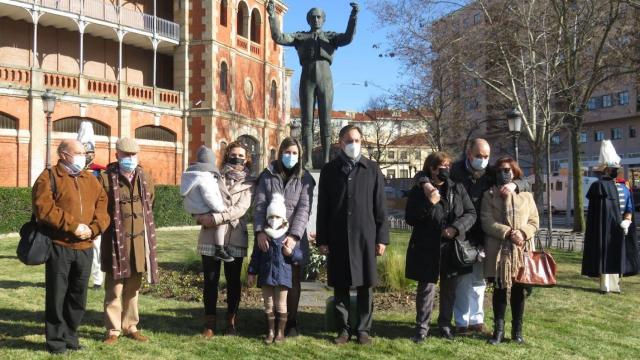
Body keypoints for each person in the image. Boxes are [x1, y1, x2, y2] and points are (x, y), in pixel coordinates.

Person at [416, 138, 529, 335]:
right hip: (460, 232)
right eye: (479, 156)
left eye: (486, 156)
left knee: (479, 280)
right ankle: (461, 321)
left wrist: (516, 185)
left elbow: (524, 179)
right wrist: (425, 182)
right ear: (469, 154)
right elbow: (423, 172)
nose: (483, 160)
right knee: (462, 280)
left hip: (485, 233)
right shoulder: (455, 170)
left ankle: (477, 320)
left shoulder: (491, 172)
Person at [32, 139, 110, 354]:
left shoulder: (89, 179)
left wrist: (93, 229)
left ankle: (71, 335)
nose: (84, 156)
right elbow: (44, 208)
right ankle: (56, 342)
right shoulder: (48, 178)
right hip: (60, 246)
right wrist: (73, 226)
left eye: (85, 153)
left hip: (85, 247)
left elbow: (103, 207)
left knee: (78, 296)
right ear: (64, 154)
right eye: (79, 152)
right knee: (57, 296)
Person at [316, 124, 389, 345]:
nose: (354, 144)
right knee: (340, 284)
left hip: (365, 236)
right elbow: (323, 208)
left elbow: (380, 206)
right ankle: (344, 329)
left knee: (365, 284)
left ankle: (363, 329)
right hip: (338, 236)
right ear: (340, 143)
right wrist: (322, 239)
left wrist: (382, 238)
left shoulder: (372, 169)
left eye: (357, 140)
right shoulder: (329, 170)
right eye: (349, 141)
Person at [267, 0, 358, 167]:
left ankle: (326, 159)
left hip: (325, 79)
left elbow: (348, 37)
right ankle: (307, 159)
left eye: (319, 17)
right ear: (308, 20)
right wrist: (272, 16)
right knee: (306, 121)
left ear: (323, 19)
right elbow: (279, 37)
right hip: (307, 78)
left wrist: (353, 16)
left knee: (326, 121)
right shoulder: (300, 37)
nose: (316, 20)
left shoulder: (330, 37)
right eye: (313, 17)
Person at [405, 151, 476, 343]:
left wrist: (456, 228)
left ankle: (445, 325)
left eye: (448, 166)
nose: (445, 169)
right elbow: (410, 217)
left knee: (449, 288)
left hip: (451, 247)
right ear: (432, 169)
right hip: (427, 246)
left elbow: (471, 213)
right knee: (426, 288)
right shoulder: (420, 190)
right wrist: (429, 203)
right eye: (441, 166)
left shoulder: (457, 188)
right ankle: (422, 328)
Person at [253, 137, 315, 337]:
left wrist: (294, 236)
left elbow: (304, 209)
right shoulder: (267, 175)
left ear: (300, 155)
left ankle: (292, 323)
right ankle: (272, 324)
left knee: (292, 281)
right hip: (269, 235)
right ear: (280, 153)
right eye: (287, 152)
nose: (291, 156)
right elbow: (260, 205)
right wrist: (260, 231)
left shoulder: (305, 178)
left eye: (295, 153)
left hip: (292, 237)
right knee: (270, 280)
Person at [99, 138, 159, 345]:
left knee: (133, 287)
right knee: (114, 288)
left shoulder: (145, 176)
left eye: (133, 155)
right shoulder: (105, 179)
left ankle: (130, 325)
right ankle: (113, 330)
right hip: (115, 243)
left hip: (139, 243)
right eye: (126, 155)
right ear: (117, 155)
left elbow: (149, 203)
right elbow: (101, 210)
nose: (130, 159)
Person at [195, 141, 256, 337]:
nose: (237, 158)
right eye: (233, 154)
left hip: (235, 235)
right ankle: (210, 322)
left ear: (247, 159)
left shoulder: (250, 182)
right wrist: (199, 217)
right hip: (210, 235)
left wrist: (215, 218)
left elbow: (241, 208)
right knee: (210, 281)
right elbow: (198, 198)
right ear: (227, 155)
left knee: (233, 282)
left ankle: (231, 321)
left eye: (241, 155)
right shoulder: (212, 176)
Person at [481, 156, 539, 345]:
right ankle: (498, 331)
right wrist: (507, 232)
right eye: (500, 170)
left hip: (521, 250)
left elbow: (534, 221)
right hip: (499, 250)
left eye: (508, 170)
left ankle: (517, 331)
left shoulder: (526, 196)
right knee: (499, 289)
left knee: (518, 291)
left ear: (515, 172)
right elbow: (486, 221)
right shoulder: (489, 194)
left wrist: (522, 233)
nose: (504, 173)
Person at [582, 140, 639, 293]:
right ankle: (604, 284)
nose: (615, 170)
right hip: (604, 227)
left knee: (619, 255)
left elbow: (628, 207)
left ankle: (616, 284)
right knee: (605, 254)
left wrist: (627, 220)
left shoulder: (624, 187)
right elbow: (596, 212)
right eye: (613, 168)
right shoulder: (598, 186)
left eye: (616, 168)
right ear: (606, 170)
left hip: (620, 228)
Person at [248, 194, 304, 344]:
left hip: (283, 277)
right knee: (268, 304)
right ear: (267, 217)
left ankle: (280, 332)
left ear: (283, 218)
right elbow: (255, 257)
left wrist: (290, 252)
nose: (274, 220)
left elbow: (299, 257)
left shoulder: (288, 237)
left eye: (277, 217)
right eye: (271, 216)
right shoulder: (262, 237)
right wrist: (251, 272)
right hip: (266, 275)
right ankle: (270, 331)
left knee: (281, 304)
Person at [181, 145, 233, 262]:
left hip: (195, 210)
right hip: (205, 209)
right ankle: (220, 249)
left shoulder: (190, 176)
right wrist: (221, 208)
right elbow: (209, 197)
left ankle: (218, 249)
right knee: (222, 222)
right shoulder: (205, 177)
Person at [77, 121, 106, 290]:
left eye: (91, 151)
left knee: (96, 249)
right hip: (75, 215)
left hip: (93, 216)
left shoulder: (98, 171)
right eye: (86, 151)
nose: (89, 155)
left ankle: (97, 280)